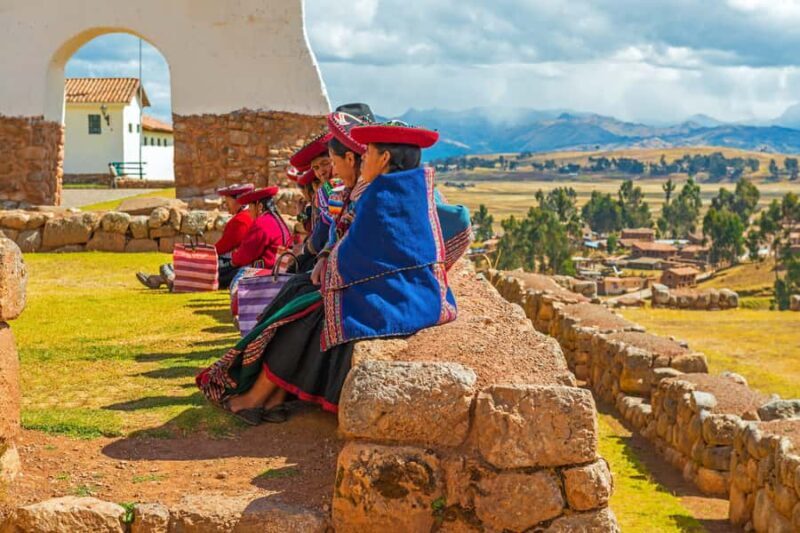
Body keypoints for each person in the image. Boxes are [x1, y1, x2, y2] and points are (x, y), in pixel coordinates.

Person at [196, 120, 456, 425]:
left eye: (369, 152)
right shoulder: (409, 191)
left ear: (384, 158)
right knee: (301, 301)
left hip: (397, 299)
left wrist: (328, 268)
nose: (364, 158)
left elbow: (353, 254)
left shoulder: (383, 197)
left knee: (302, 320)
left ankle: (255, 399)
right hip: (410, 293)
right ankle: (272, 398)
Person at [135, 184, 255, 290]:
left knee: (196, 264)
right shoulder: (245, 217)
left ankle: (169, 278)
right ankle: (158, 279)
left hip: (233, 264)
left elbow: (224, 247)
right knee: (197, 263)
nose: (226, 205)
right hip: (236, 262)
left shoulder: (241, 220)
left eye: (228, 201)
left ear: (238, 201)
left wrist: (203, 254)